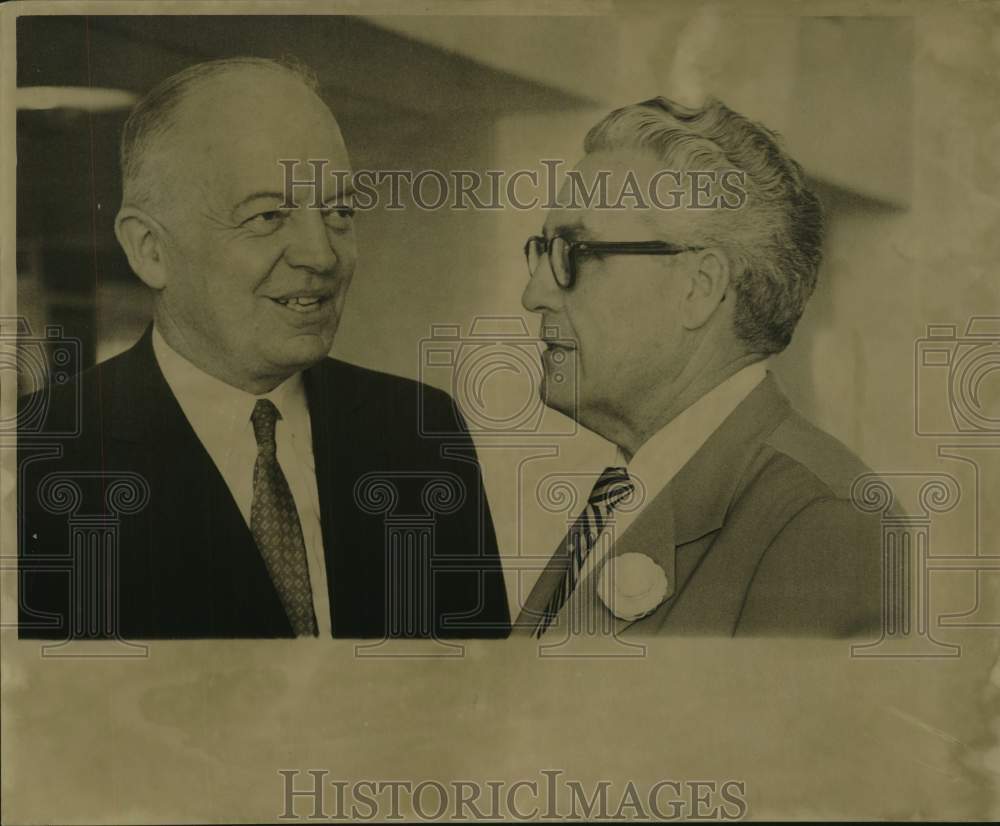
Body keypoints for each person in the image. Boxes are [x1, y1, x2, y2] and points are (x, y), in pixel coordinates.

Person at [18, 57, 509, 640]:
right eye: (268, 215)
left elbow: (483, 703)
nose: (321, 255)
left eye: (339, 212)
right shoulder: (42, 454)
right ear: (149, 249)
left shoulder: (419, 432)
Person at [515, 97, 882, 638]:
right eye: (542, 252)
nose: (535, 294)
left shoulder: (823, 524)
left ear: (699, 287)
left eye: (574, 253)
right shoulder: (632, 491)